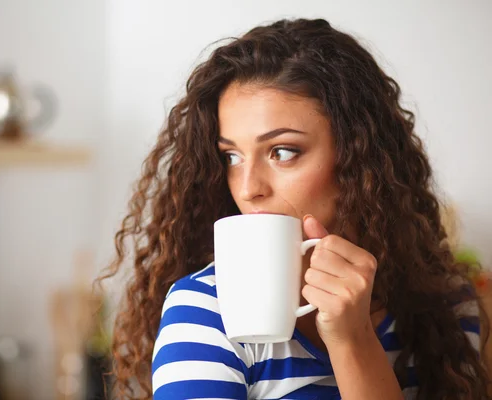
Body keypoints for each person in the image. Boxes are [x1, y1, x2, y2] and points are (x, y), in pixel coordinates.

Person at [98, 18, 489, 399]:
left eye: (282, 152)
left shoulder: (446, 309)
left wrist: (352, 340)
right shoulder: (203, 311)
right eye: (231, 156)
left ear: (359, 158)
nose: (249, 188)